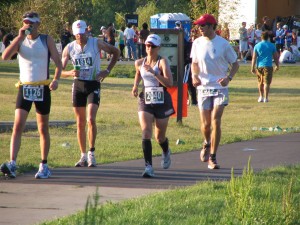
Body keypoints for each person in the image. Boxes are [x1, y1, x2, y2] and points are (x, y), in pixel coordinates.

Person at [0, 11, 62, 179]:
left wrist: (55, 79)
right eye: (25, 22)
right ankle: (12, 163)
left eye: (31, 23)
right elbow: (5, 56)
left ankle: (44, 165)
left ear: (38, 24)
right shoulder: (20, 40)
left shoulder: (46, 39)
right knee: (18, 125)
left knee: (42, 127)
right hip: (25, 87)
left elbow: (58, 63)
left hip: (42, 87)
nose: (28, 26)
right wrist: (19, 38)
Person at [61, 20, 120, 167]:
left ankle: (91, 153)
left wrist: (106, 71)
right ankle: (82, 156)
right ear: (74, 34)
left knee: (91, 119)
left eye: (82, 33)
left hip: (93, 84)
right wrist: (69, 72)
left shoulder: (96, 43)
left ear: (86, 32)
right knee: (80, 123)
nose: (80, 36)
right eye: (77, 34)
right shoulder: (69, 48)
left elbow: (116, 52)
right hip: (78, 85)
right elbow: (59, 71)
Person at [191, 14, 239, 169]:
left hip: (220, 87)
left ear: (212, 26)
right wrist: (194, 76)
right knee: (205, 125)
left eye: (203, 25)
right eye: (199, 26)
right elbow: (194, 63)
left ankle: (213, 157)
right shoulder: (197, 43)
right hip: (203, 87)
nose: (200, 28)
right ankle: (206, 142)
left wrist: (228, 78)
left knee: (215, 120)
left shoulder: (223, 44)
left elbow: (235, 64)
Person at [131, 34, 175, 177]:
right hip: (146, 100)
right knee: (146, 132)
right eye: (147, 45)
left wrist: (155, 73)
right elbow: (138, 73)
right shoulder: (139, 62)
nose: (149, 48)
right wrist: (135, 86)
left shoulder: (163, 62)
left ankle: (165, 151)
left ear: (158, 48)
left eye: (153, 46)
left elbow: (170, 83)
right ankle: (148, 167)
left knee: (159, 137)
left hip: (162, 100)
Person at [251, 31, 279, 103]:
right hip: (268, 65)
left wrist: (252, 67)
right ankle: (266, 98)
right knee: (266, 83)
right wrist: (277, 65)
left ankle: (260, 96)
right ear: (268, 37)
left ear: (261, 37)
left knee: (260, 82)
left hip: (259, 66)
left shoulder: (257, 45)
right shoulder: (272, 45)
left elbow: (254, 57)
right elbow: (276, 57)